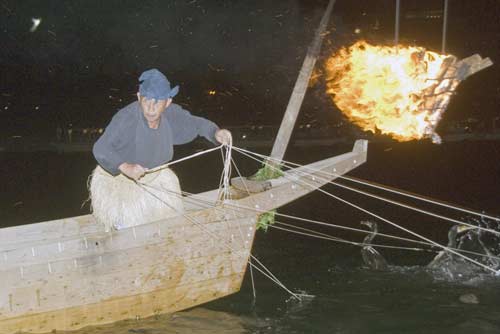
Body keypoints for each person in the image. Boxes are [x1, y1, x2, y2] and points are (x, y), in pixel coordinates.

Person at [90, 68, 231, 231]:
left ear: (168, 102)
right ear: (138, 97)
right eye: (146, 100)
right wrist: (125, 167)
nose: (151, 107)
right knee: (130, 230)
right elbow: (101, 147)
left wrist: (216, 132)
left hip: (156, 179)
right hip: (121, 183)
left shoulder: (171, 114)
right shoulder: (126, 118)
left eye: (157, 101)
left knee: (170, 227)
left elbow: (196, 123)